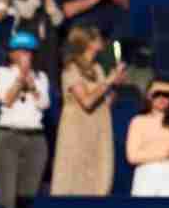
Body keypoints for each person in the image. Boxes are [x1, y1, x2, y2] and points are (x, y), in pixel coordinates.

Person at [50, 25, 126, 196]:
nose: (102, 41)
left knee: (98, 181)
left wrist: (114, 85)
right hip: (77, 133)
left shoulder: (98, 69)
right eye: (97, 38)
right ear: (88, 43)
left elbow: (105, 102)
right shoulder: (71, 69)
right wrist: (109, 81)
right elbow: (87, 101)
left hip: (97, 132)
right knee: (74, 180)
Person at [0, 31, 51, 208]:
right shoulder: (2, 73)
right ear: (12, 54)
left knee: (29, 195)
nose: (26, 55)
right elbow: (6, 99)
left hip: (35, 137)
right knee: (6, 194)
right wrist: (20, 78)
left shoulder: (41, 77)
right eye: (21, 51)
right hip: (9, 136)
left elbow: (44, 104)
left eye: (29, 51)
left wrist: (32, 86)